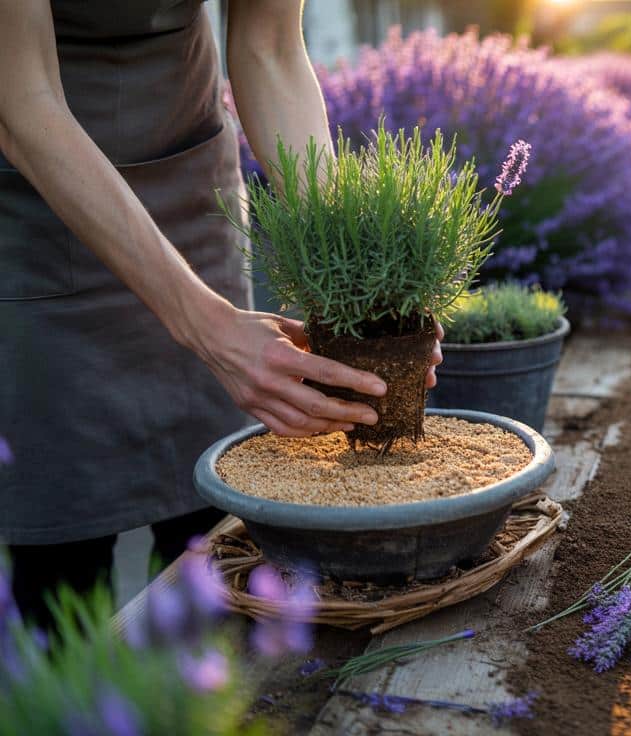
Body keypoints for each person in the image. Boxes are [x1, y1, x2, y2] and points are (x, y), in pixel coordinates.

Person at [0, 0, 443, 623]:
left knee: (217, 526)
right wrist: (207, 327)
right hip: (39, 202)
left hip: (189, 175)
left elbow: (271, 49)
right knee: (65, 553)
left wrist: (352, 277)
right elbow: (24, 102)